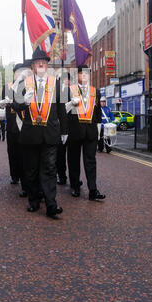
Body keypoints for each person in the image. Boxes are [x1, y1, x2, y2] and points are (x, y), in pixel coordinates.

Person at [14, 48, 68, 219]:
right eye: (39, 63)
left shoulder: (56, 83)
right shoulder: (24, 84)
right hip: (30, 134)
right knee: (30, 170)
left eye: (44, 63)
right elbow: (15, 106)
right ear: (33, 67)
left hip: (50, 133)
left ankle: (51, 204)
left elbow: (61, 110)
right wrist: (24, 102)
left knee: (50, 169)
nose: (42, 66)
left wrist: (64, 131)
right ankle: (33, 201)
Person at [66, 65, 105, 201]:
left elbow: (98, 113)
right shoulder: (69, 90)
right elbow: (62, 111)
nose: (84, 76)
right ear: (77, 76)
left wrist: (99, 132)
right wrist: (71, 103)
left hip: (91, 131)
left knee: (91, 161)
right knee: (73, 160)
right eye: (81, 74)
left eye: (86, 74)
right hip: (74, 130)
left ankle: (92, 189)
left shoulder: (95, 91)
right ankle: (75, 186)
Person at [0, 63, 29, 196]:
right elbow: (1, 103)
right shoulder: (8, 87)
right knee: (12, 152)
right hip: (11, 123)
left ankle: (25, 182)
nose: (20, 74)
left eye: (23, 72)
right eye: (18, 72)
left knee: (24, 155)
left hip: (24, 124)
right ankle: (14, 175)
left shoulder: (29, 86)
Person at [56, 72, 71, 186]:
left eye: (67, 80)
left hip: (73, 128)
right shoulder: (58, 93)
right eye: (63, 80)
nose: (66, 82)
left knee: (73, 157)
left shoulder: (73, 91)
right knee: (60, 155)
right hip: (61, 128)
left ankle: (74, 179)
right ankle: (62, 176)